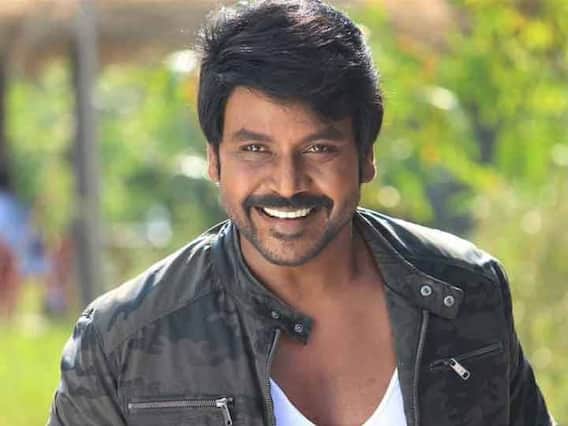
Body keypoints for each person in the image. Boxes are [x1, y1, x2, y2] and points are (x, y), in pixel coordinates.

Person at [49, 1, 554, 425]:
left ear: (366, 154)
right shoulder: (120, 343)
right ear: (214, 158)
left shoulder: (465, 292)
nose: (288, 184)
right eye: (255, 149)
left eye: (318, 149)